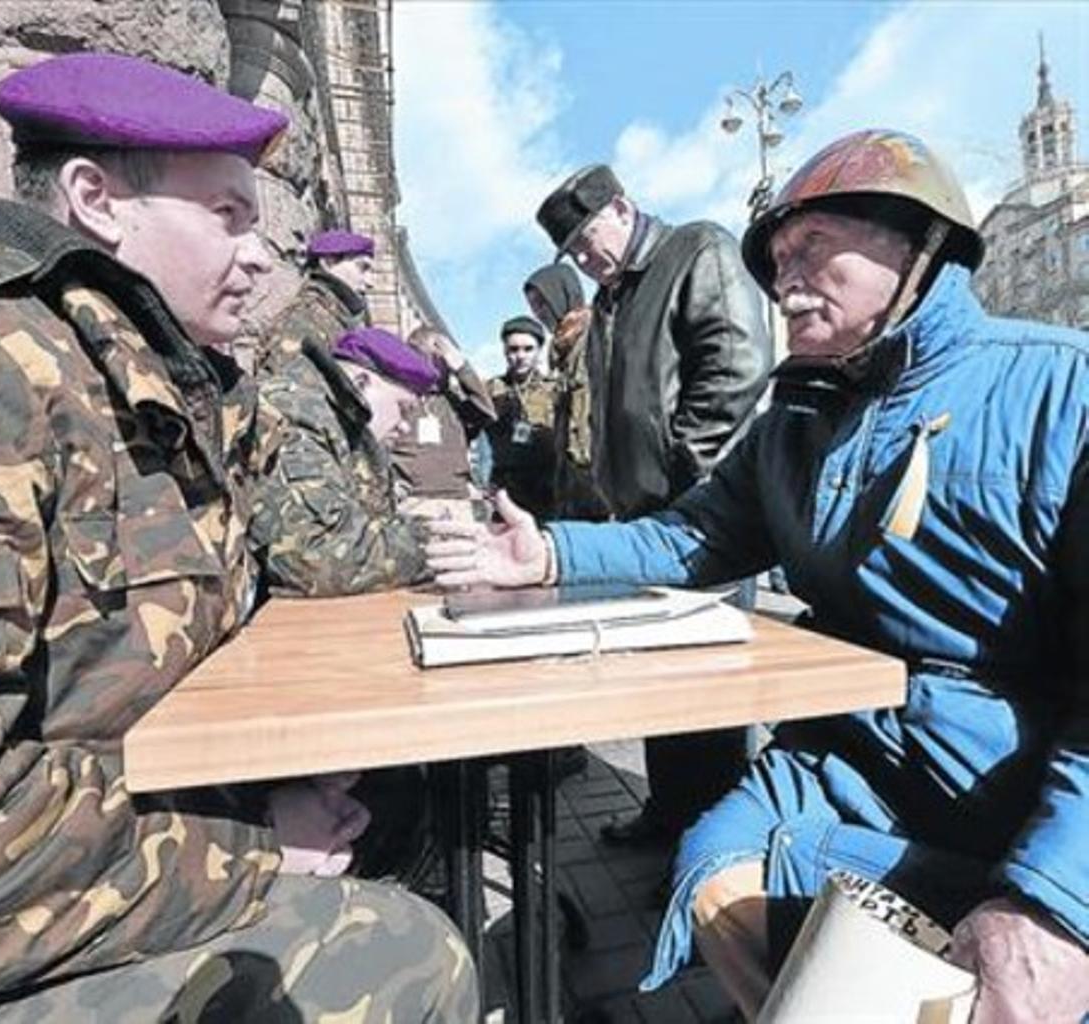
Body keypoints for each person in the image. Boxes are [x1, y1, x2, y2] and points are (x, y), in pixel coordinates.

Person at [427, 128, 1089, 1023]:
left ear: (920, 246)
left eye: (814, 248)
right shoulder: (794, 425)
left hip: (1017, 787)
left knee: (1008, 973)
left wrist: (1057, 901)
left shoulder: (1060, 393)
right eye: (778, 259)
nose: (785, 280)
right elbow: (690, 538)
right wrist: (549, 553)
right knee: (716, 876)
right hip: (851, 756)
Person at [0, 52, 476, 1022]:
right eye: (230, 217)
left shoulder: (142, 370)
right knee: (410, 958)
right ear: (96, 198)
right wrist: (254, 843)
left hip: (71, 847)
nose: (261, 255)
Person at [535, 163, 773, 852]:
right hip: (644, 521)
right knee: (664, 681)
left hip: (697, 518)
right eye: (571, 253)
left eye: (586, 241)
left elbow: (735, 365)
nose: (583, 259)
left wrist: (683, 473)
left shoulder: (696, 249)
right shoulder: (611, 298)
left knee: (711, 692)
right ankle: (671, 812)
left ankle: (720, 846)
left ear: (621, 207)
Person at [253, 326, 440, 597]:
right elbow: (316, 559)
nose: (404, 428)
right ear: (362, 382)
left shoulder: (339, 419)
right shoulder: (294, 411)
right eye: (403, 409)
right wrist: (450, 543)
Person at [523, 263, 604, 519]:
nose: (538, 313)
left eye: (541, 303)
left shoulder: (596, 337)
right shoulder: (563, 350)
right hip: (573, 478)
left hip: (598, 477)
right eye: (533, 306)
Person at [391, 325, 496, 521]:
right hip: (412, 501)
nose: (433, 368)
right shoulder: (400, 398)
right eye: (424, 358)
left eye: (439, 361)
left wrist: (463, 369)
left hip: (456, 500)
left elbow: (486, 411)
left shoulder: (452, 402)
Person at [256, 228, 374, 373]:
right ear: (328, 262)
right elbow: (280, 389)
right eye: (362, 267)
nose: (370, 282)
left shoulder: (332, 320)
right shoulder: (304, 318)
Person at [485, 314, 559, 519]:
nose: (520, 356)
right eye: (513, 349)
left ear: (539, 351)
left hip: (548, 486)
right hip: (507, 487)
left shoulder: (554, 390)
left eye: (528, 349)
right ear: (504, 351)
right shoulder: (492, 390)